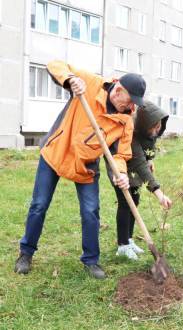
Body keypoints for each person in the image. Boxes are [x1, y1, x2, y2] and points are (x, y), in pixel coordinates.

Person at [14, 60, 146, 279]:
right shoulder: (91, 83)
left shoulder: (125, 121)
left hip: (86, 165)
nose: (131, 106)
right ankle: (25, 254)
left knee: (91, 211)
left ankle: (91, 261)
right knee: (39, 205)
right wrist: (71, 80)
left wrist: (120, 173)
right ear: (119, 90)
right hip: (57, 151)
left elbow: (121, 154)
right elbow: (55, 64)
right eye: (130, 101)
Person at [107, 100, 172, 259]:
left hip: (136, 167)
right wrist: (159, 194)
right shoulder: (133, 133)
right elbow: (140, 164)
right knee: (125, 203)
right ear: (144, 125)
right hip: (119, 164)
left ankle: (128, 240)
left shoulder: (152, 131)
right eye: (153, 127)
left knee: (134, 201)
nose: (156, 131)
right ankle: (122, 245)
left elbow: (149, 152)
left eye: (158, 127)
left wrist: (150, 160)